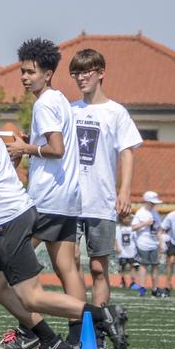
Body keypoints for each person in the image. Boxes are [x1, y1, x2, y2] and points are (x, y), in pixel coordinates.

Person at [0, 70, 129, 349]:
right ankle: (51, 341)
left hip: (10, 220)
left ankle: (104, 314)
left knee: (32, 296)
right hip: (13, 216)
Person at [0, 38, 87, 349]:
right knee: (66, 268)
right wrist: (32, 142)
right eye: (22, 71)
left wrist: (24, 148)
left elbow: (56, 150)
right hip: (67, 196)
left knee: (4, 272)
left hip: (45, 198)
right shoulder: (59, 100)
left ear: (48, 73)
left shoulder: (45, 103)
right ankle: (81, 335)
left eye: (31, 72)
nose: (25, 77)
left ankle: (31, 330)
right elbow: (56, 144)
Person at [68, 49, 142, 316]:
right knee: (71, 262)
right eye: (75, 72)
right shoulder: (70, 110)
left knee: (98, 268)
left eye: (86, 71)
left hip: (101, 201)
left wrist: (124, 190)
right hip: (71, 201)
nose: (80, 77)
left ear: (101, 73)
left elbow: (128, 151)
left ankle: (100, 327)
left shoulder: (116, 112)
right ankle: (78, 327)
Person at [132, 191, 164, 296]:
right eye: (152, 202)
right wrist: (145, 223)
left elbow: (159, 229)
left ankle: (155, 288)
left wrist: (161, 243)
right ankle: (142, 288)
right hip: (143, 243)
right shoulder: (140, 212)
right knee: (143, 266)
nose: (154, 204)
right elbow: (133, 227)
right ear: (147, 201)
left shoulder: (155, 213)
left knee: (155, 266)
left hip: (153, 243)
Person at [115, 213, 139, 290]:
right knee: (122, 267)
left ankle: (133, 282)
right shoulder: (118, 228)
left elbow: (134, 238)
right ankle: (122, 280)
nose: (130, 220)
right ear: (122, 219)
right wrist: (117, 247)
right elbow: (115, 239)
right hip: (122, 252)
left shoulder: (131, 228)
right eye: (128, 218)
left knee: (133, 267)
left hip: (131, 251)